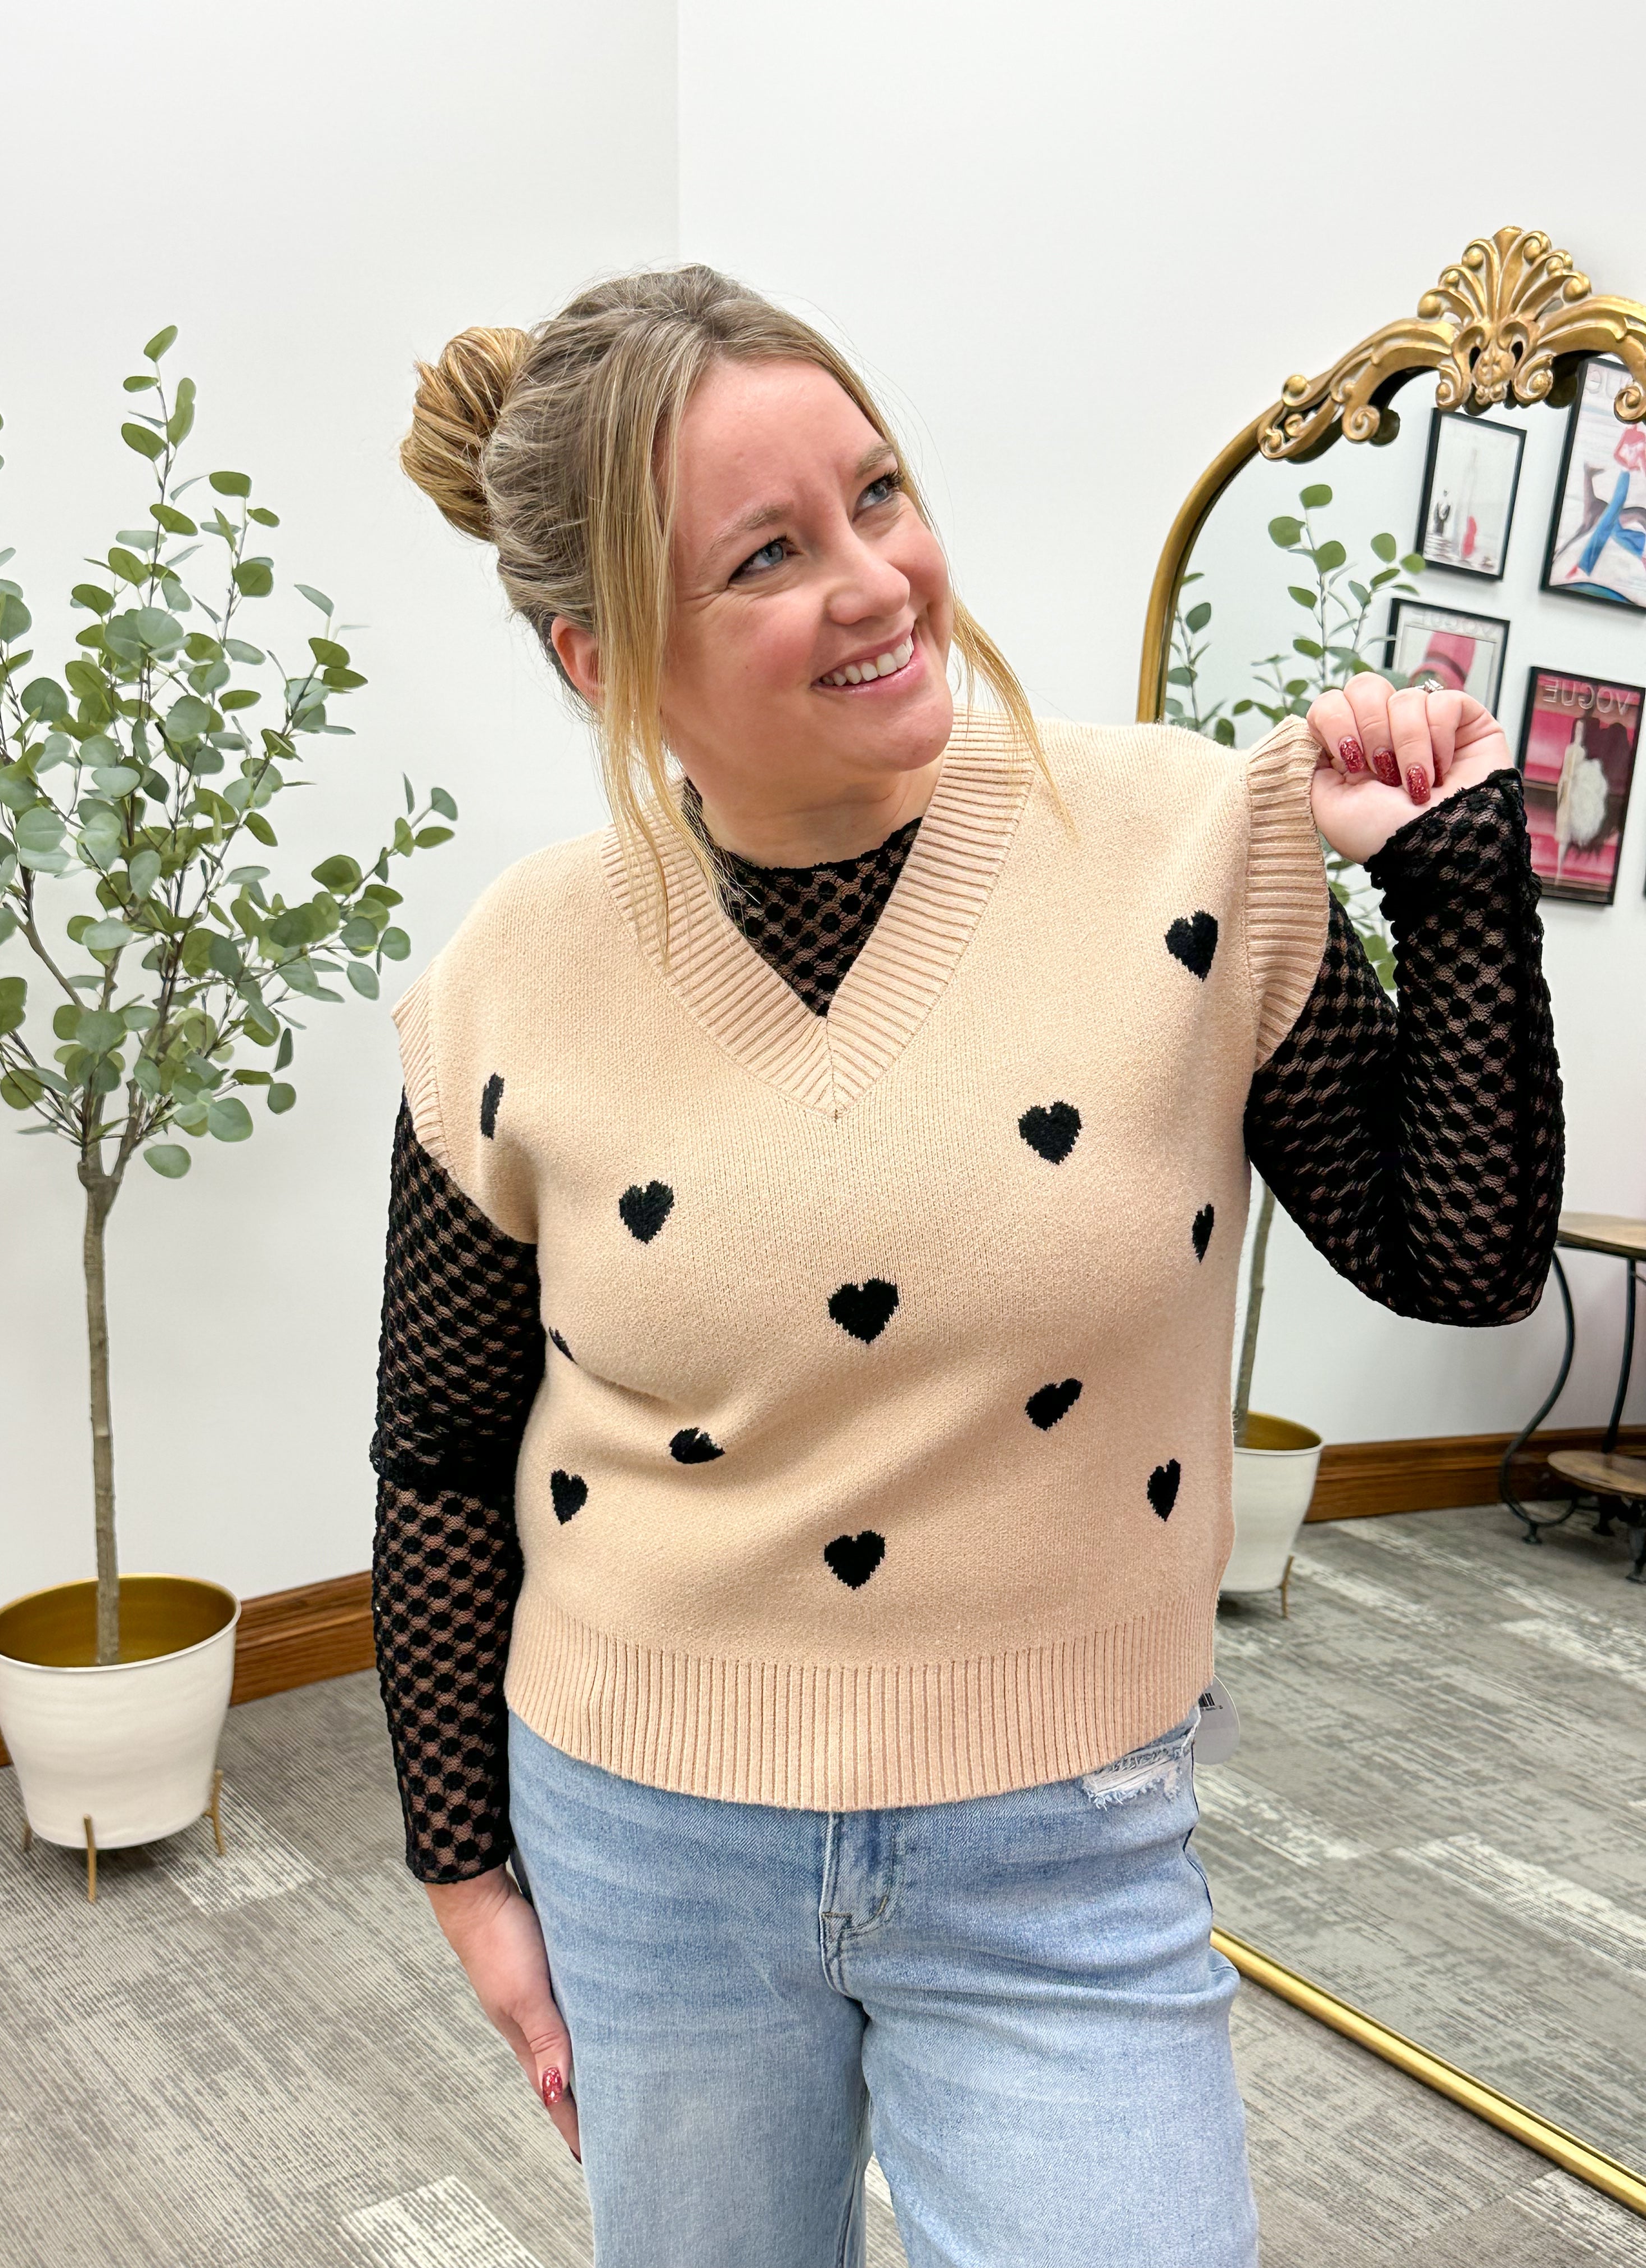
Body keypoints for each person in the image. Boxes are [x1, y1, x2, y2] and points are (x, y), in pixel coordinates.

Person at [371, 265, 1563, 2267]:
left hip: (1065, 1844)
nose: (879, 579)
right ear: (603, 658)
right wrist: (469, 1877)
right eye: (771, 552)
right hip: (644, 1831)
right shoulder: (514, 970)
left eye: (881, 492)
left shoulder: (1192, 849)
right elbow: (440, 1447)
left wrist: (1444, 870)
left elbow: (1458, 1258)